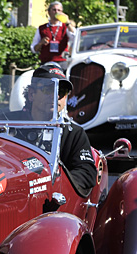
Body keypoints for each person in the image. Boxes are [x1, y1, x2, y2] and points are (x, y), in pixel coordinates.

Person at [7, 62, 96, 197]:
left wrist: (49, 183)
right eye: (48, 90)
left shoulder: (74, 132)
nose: (55, 96)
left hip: (50, 203)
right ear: (31, 94)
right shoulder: (7, 122)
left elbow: (86, 173)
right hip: (10, 192)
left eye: (61, 91)